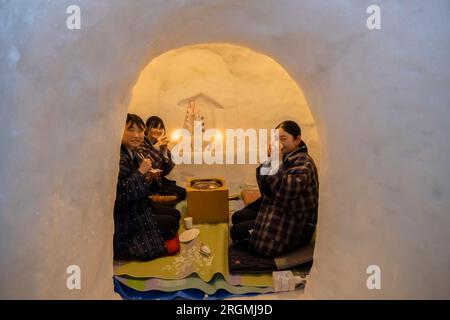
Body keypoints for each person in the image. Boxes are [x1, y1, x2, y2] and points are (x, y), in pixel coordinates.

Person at [230, 120, 318, 257]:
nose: (279, 144)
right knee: (237, 217)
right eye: (276, 139)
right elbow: (265, 187)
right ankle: (257, 228)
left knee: (236, 232)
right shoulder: (287, 156)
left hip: (292, 222)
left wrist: (276, 162)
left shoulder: (303, 162)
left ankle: (264, 240)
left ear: (297, 140)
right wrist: (271, 160)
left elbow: (285, 193)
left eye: (283, 139)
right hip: (277, 206)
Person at [113, 114, 181, 261]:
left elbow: (167, 169)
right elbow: (118, 195)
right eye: (131, 130)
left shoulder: (133, 150)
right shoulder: (125, 153)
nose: (137, 135)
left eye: (140, 130)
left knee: (177, 212)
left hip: (144, 197)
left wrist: (163, 151)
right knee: (173, 221)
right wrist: (142, 171)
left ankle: (164, 233)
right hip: (130, 214)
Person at [137, 116, 186, 203]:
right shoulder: (140, 143)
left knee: (183, 192)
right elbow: (149, 166)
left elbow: (167, 170)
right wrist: (156, 148)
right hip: (148, 184)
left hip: (159, 182)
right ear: (147, 128)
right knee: (176, 195)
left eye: (160, 128)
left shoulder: (159, 143)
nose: (158, 130)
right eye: (155, 127)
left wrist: (164, 153)